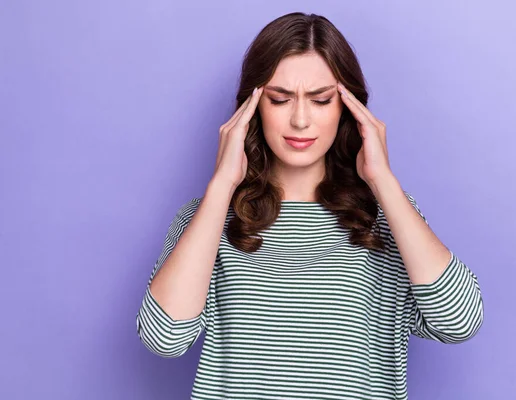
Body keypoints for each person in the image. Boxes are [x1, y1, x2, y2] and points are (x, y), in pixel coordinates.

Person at [136, 11, 484, 400]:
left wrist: (383, 181)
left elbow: (460, 322)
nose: (300, 119)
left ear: (348, 109)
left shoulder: (387, 218)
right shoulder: (208, 218)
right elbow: (163, 338)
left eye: (320, 100)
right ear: (252, 108)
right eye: (280, 99)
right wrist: (222, 186)